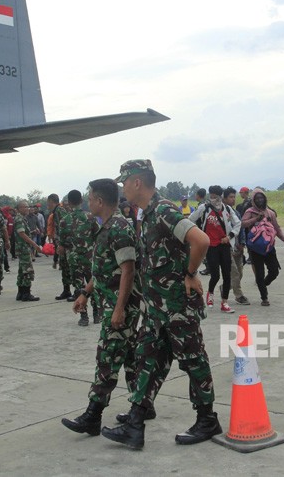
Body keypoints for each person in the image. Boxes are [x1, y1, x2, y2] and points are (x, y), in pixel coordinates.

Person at [101, 159, 221, 448]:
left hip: (177, 307)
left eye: (124, 183)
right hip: (157, 310)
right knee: (147, 360)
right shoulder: (147, 214)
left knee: (193, 361)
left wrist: (191, 274)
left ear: (137, 182)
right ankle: (135, 423)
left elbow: (201, 240)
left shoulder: (164, 210)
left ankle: (207, 419)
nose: (122, 189)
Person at [62, 179, 141, 436]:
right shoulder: (106, 226)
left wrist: (119, 309)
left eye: (90, 197)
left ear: (99, 200)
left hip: (121, 305)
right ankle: (143, 405)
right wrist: (85, 292)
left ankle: (92, 416)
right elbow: (105, 268)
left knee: (107, 358)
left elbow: (128, 271)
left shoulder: (118, 227)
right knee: (129, 357)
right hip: (112, 301)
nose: (87, 202)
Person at [189, 185, 241, 313]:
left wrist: (229, 237)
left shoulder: (227, 209)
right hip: (211, 246)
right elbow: (190, 219)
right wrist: (197, 236)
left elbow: (238, 223)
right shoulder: (204, 208)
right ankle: (210, 293)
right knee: (215, 275)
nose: (213, 199)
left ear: (220, 196)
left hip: (224, 245)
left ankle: (225, 303)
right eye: (211, 196)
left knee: (227, 275)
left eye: (215, 196)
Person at [241, 187, 284, 306]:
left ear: (265, 199)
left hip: (269, 247)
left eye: (261, 197)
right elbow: (242, 224)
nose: (260, 200)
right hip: (255, 248)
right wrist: (255, 219)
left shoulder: (270, 213)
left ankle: (263, 284)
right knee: (259, 273)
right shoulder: (250, 211)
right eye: (257, 198)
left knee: (274, 271)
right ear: (253, 200)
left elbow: (277, 228)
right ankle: (264, 297)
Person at [58, 189, 100, 325]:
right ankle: (97, 313)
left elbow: (62, 245)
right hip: (89, 257)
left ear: (68, 203)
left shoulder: (64, 221)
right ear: (82, 201)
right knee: (92, 284)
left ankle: (84, 316)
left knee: (78, 287)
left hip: (74, 260)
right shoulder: (90, 217)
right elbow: (99, 237)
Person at [223, 186, 251, 305]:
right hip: (227, 247)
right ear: (224, 198)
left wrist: (242, 243)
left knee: (239, 272)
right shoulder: (221, 213)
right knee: (234, 272)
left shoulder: (236, 213)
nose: (233, 199)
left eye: (234, 197)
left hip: (237, 246)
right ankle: (239, 295)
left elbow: (241, 229)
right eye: (230, 197)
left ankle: (224, 288)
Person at [13, 200, 43, 300]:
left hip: (22, 248)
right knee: (27, 270)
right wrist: (34, 244)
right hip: (23, 248)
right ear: (19, 208)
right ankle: (26, 294)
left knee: (22, 270)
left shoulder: (21, 218)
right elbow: (22, 233)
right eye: (25, 207)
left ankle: (21, 293)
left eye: (28, 206)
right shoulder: (20, 219)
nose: (28, 208)